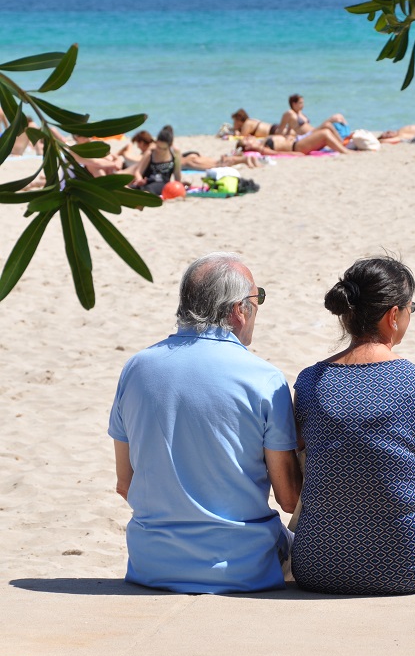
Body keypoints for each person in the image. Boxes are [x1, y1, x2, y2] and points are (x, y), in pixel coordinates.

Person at [108, 252, 302, 593]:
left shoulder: (137, 368)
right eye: (258, 300)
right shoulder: (264, 378)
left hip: (152, 564)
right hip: (243, 568)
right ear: (239, 309)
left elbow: (126, 484)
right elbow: (288, 498)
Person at [291, 256, 415, 596]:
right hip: (408, 564)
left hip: (318, 565)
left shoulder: (309, 381)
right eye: (410, 308)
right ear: (394, 315)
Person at [130, 124, 182, 194]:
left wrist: (179, 187)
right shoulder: (150, 152)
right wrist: (140, 180)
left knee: (148, 191)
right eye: (158, 147)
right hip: (146, 182)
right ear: (156, 142)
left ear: (170, 146)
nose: (160, 150)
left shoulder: (175, 154)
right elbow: (138, 171)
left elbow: (177, 176)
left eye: (163, 149)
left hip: (162, 184)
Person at [238, 128, 350, 156]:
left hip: (297, 143)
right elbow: (277, 154)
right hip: (298, 147)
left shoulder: (261, 143)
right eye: (247, 140)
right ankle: (346, 152)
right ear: (247, 147)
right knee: (325, 133)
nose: (249, 137)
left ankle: (345, 148)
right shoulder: (261, 148)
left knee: (326, 130)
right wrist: (296, 154)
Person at [278, 94, 348, 137]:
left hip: (313, 132)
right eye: (300, 103)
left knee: (339, 117)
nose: (303, 105)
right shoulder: (289, 113)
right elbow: (281, 129)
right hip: (307, 136)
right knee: (329, 123)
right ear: (294, 104)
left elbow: (290, 127)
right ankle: (341, 142)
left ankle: (346, 135)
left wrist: (288, 134)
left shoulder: (299, 113)